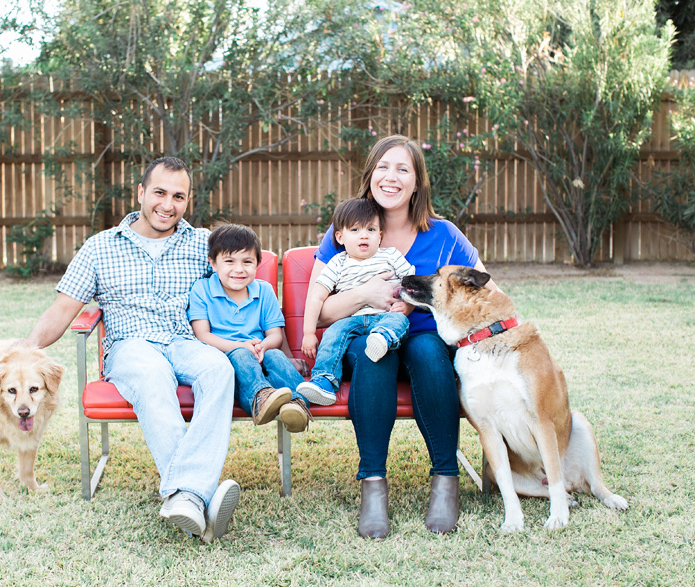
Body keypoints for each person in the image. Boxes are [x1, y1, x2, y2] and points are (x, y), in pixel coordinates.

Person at [25, 157, 240, 543]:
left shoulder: (203, 244)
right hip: (131, 346)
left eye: (178, 196)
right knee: (151, 376)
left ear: (188, 201)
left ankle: (185, 496)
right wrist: (26, 348)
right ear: (140, 193)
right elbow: (62, 309)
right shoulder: (100, 247)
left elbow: (241, 280)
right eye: (159, 192)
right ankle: (195, 494)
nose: (167, 204)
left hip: (187, 341)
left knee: (220, 370)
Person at [308, 135, 499, 539]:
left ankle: (446, 481)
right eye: (382, 167)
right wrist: (365, 294)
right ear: (370, 175)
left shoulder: (444, 234)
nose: (390, 177)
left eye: (403, 169)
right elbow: (322, 309)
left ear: (417, 183)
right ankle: (373, 486)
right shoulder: (346, 228)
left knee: (429, 351)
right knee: (375, 355)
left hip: (423, 336)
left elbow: (489, 291)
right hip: (362, 337)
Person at [188, 224, 313, 433]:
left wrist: (262, 346)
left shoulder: (263, 290)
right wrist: (242, 346)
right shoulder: (202, 289)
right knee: (240, 355)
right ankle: (260, 399)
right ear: (213, 263)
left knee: (276, 355)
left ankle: (297, 405)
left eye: (247, 262)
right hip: (226, 360)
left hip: (259, 353)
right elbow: (203, 335)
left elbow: (275, 335)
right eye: (229, 261)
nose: (239, 269)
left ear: (257, 264)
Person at [296, 198, 414, 407]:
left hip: (385, 316)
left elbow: (410, 284)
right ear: (340, 237)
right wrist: (308, 333)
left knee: (399, 321)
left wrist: (407, 305)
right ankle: (324, 381)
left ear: (380, 236)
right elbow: (316, 296)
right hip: (352, 319)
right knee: (333, 334)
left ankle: (383, 339)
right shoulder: (338, 263)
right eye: (355, 229)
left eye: (370, 229)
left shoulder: (391, 256)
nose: (364, 235)